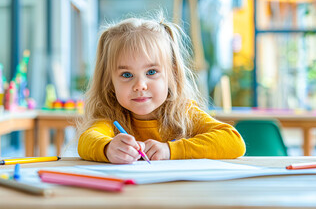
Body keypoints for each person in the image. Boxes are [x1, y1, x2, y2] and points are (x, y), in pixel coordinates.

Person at [77, 14, 245, 164]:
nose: (140, 85)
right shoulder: (111, 116)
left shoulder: (183, 113)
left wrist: (170, 150)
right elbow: (86, 140)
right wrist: (108, 148)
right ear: (109, 82)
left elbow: (233, 141)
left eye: (151, 72)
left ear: (172, 75)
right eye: (127, 75)